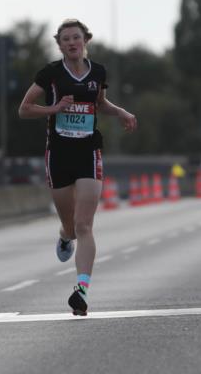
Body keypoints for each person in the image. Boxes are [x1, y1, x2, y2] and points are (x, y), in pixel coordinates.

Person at [18, 18, 137, 316]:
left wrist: (121, 112)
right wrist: (55, 108)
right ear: (59, 44)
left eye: (76, 37)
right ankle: (63, 235)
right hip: (58, 154)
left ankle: (81, 291)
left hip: (88, 152)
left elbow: (100, 104)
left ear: (86, 41)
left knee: (84, 225)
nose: (72, 42)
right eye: (66, 39)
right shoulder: (51, 73)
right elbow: (24, 109)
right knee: (71, 227)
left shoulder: (98, 72)